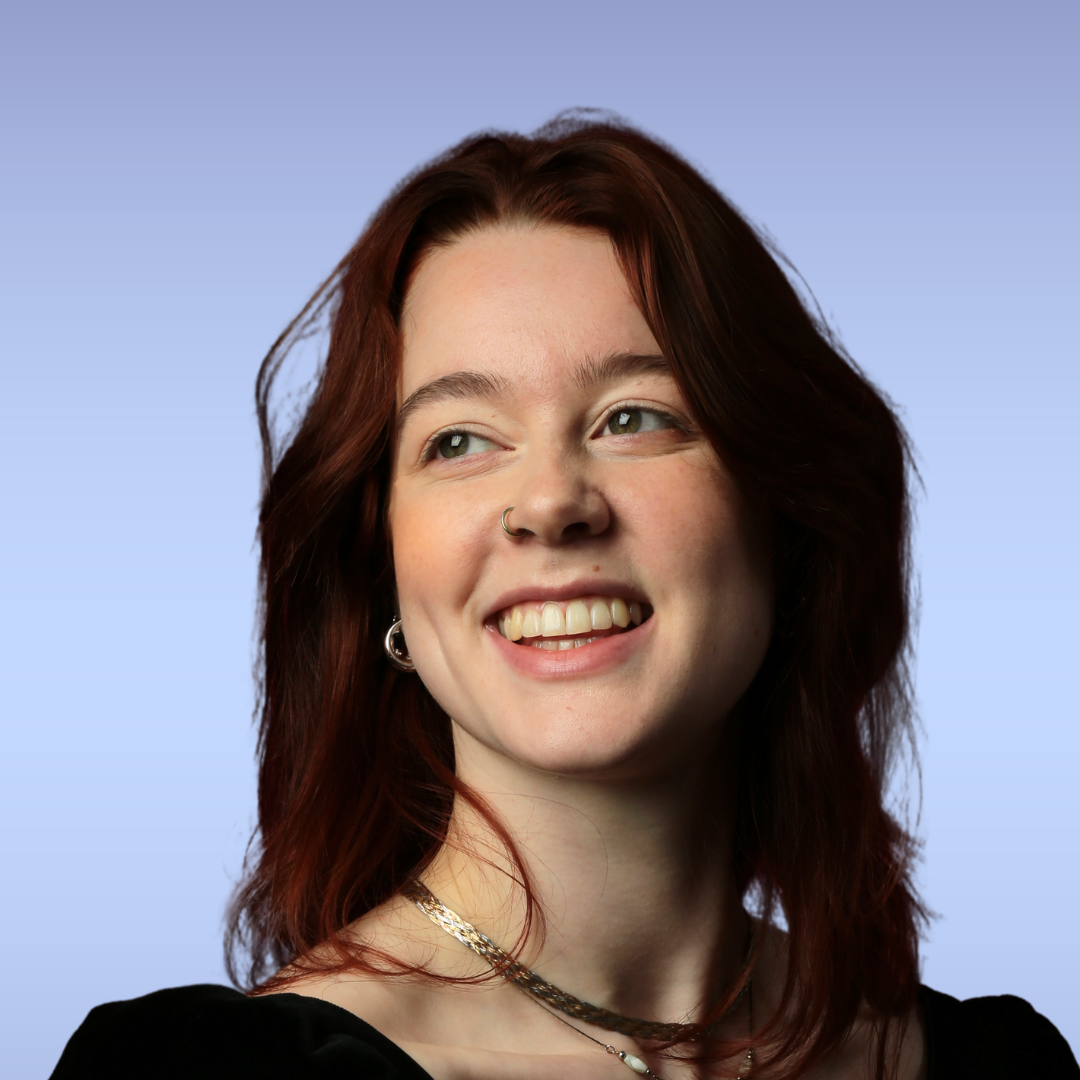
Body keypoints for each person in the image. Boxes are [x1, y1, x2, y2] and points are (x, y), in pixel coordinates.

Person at [51, 115, 1078, 1080]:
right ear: (382, 575)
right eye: (458, 440)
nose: (549, 503)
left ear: (790, 520)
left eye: (636, 417)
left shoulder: (999, 1065)